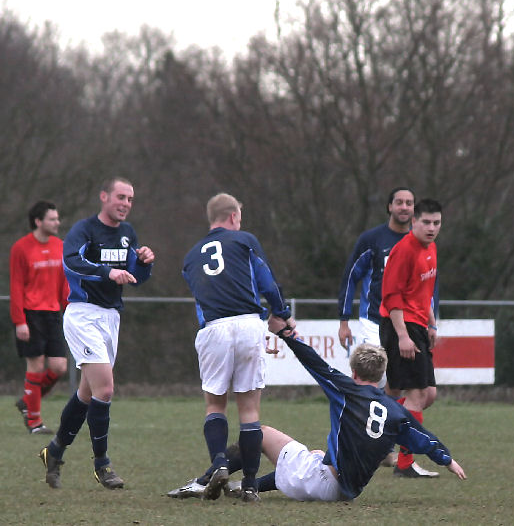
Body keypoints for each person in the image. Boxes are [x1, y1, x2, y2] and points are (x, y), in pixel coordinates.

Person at [168, 325, 466, 502]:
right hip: (346, 491)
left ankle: (207, 479)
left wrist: (288, 335)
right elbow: (423, 438)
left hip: (325, 483)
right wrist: (448, 459)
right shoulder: (393, 410)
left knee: (261, 433)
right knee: (312, 454)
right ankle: (240, 486)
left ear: (353, 371)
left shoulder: (346, 389)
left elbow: (314, 363)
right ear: (381, 376)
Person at [39, 178, 155, 490]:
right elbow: (71, 261)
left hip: (110, 318)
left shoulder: (128, 234)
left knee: (87, 395)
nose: (126, 203)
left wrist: (143, 264)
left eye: (130, 199)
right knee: (105, 390)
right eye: (120, 197)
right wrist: (107, 272)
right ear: (104, 196)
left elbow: (134, 277)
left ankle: (55, 451)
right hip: (83, 314)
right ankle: (102, 465)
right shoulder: (84, 229)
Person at [181, 193, 295, 503]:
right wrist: (281, 313)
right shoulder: (245, 240)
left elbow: (203, 299)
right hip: (247, 324)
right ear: (233, 217)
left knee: (215, 405)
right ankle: (249, 486)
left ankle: (219, 463)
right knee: (249, 410)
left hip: (213, 328)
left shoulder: (190, 257)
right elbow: (267, 283)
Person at [379, 198, 442, 478]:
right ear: (414, 221)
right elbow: (391, 297)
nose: (431, 227)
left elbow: (424, 291)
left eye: (436, 223)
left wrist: (432, 324)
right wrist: (403, 336)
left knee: (427, 394)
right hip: (400, 326)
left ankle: (379, 420)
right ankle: (404, 465)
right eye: (426, 222)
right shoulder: (403, 251)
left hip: (418, 325)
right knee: (416, 394)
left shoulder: (432, 248)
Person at [9, 201, 70, 434]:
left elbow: (64, 285)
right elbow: (16, 286)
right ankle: (34, 422)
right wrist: (19, 321)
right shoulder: (21, 248)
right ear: (38, 221)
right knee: (35, 365)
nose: (57, 222)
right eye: (52, 219)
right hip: (30, 314)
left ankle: (28, 400)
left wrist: (68, 310)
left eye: (57, 218)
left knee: (59, 367)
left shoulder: (61, 246)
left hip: (53, 314)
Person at [338, 187, 415, 359]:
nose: (404, 207)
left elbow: (430, 285)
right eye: (399, 202)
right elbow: (350, 278)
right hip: (373, 321)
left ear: (414, 209)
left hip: (410, 324)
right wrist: (344, 321)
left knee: (402, 383)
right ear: (389, 207)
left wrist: (432, 324)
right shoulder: (371, 239)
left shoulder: (420, 243)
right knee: (373, 377)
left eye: (409, 203)